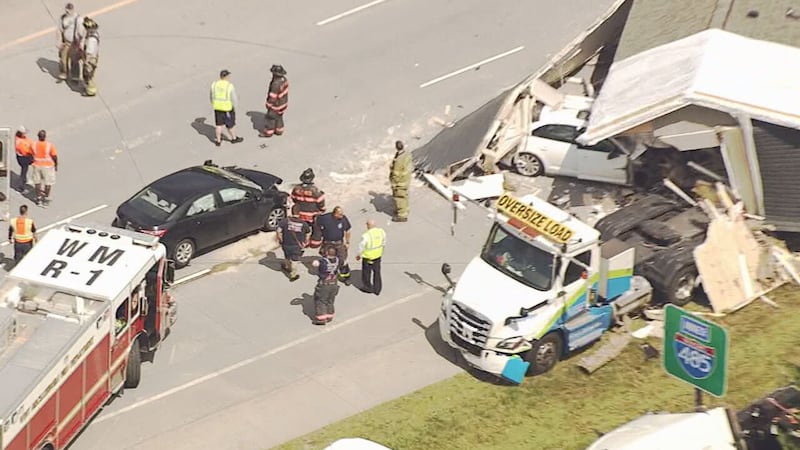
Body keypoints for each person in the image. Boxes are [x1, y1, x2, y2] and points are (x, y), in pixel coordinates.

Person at [290, 168, 326, 248]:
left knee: (301, 228)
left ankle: (302, 242)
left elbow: (293, 198)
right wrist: (322, 209)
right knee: (316, 228)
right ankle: (315, 242)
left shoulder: (296, 189)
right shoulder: (315, 190)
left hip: (300, 214)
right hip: (313, 214)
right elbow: (320, 202)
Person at [317, 206, 352, 284]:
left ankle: (345, 277)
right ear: (335, 214)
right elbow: (317, 223)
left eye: (342, 214)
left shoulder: (343, 219)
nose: (342, 215)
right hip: (327, 243)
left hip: (339, 243)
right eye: (340, 214)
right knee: (327, 260)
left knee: (342, 260)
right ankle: (327, 276)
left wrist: (347, 242)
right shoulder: (325, 218)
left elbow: (348, 231)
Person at [210, 69, 244, 147]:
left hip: (217, 107)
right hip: (227, 108)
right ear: (226, 76)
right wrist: (235, 107)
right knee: (230, 125)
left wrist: (213, 103)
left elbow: (211, 96)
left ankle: (218, 141)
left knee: (219, 125)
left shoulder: (214, 84)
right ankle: (233, 138)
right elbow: (234, 98)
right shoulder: (229, 86)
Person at [276, 205, 309, 282]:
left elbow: (278, 231)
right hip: (297, 245)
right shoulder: (303, 224)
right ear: (299, 213)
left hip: (286, 243)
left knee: (287, 257)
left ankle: (287, 267)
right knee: (294, 260)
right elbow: (308, 233)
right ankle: (293, 275)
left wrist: (281, 240)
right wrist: (305, 242)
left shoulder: (284, 221)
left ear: (291, 211)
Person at [311, 245, 341, 325]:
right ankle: (330, 315)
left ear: (327, 252)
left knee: (321, 300)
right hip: (334, 283)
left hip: (325, 283)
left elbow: (315, 264)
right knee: (330, 300)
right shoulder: (338, 260)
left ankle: (321, 318)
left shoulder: (323, 261)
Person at [356, 219, 386, 296]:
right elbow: (384, 242)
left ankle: (367, 287)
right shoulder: (381, 231)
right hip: (378, 256)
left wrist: (358, 255)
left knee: (366, 273)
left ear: (368, 225)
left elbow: (361, 246)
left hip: (368, 257)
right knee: (377, 273)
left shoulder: (366, 235)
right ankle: (377, 289)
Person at [57, 3, 84, 81]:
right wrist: (58, 42)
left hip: (74, 43)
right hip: (66, 42)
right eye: (67, 10)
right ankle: (63, 73)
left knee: (74, 60)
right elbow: (59, 30)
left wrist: (81, 43)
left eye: (70, 10)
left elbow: (81, 32)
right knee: (63, 58)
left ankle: (75, 77)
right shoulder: (63, 18)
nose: (69, 11)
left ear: (73, 9)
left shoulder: (78, 19)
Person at [31, 130, 58, 207]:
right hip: (47, 166)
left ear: (38, 136)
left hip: (37, 165)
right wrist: (56, 165)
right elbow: (54, 156)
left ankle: (38, 199)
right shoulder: (49, 145)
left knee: (37, 183)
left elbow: (30, 153)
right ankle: (46, 198)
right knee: (48, 183)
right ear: (45, 137)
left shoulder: (34, 145)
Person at [390, 140, 413, 222]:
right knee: (405, 195)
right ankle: (405, 210)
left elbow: (396, 174)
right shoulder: (407, 154)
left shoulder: (399, 160)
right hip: (406, 179)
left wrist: (393, 183)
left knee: (399, 198)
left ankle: (402, 215)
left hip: (400, 182)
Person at [262, 64, 288, 137]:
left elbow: (273, 97)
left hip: (276, 105)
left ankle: (268, 133)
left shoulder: (275, 84)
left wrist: (268, 104)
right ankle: (279, 130)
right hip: (283, 103)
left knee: (271, 118)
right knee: (279, 116)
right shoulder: (284, 80)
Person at [81, 17, 100, 96]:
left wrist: (86, 62)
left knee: (88, 75)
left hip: (90, 59)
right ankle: (88, 87)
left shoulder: (91, 40)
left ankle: (91, 91)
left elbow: (89, 52)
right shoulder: (95, 34)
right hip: (95, 56)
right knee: (89, 74)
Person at [14, 126, 34, 193]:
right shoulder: (19, 143)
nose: (25, 134)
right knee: (24, 171)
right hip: (23, 158)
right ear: (21, 134)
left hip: (26, 156)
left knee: (26, 169)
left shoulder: (22, 138)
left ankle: (25, 180)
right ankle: (20, 187)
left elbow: (29, 142)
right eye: (24, 133)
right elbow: (25, 152)